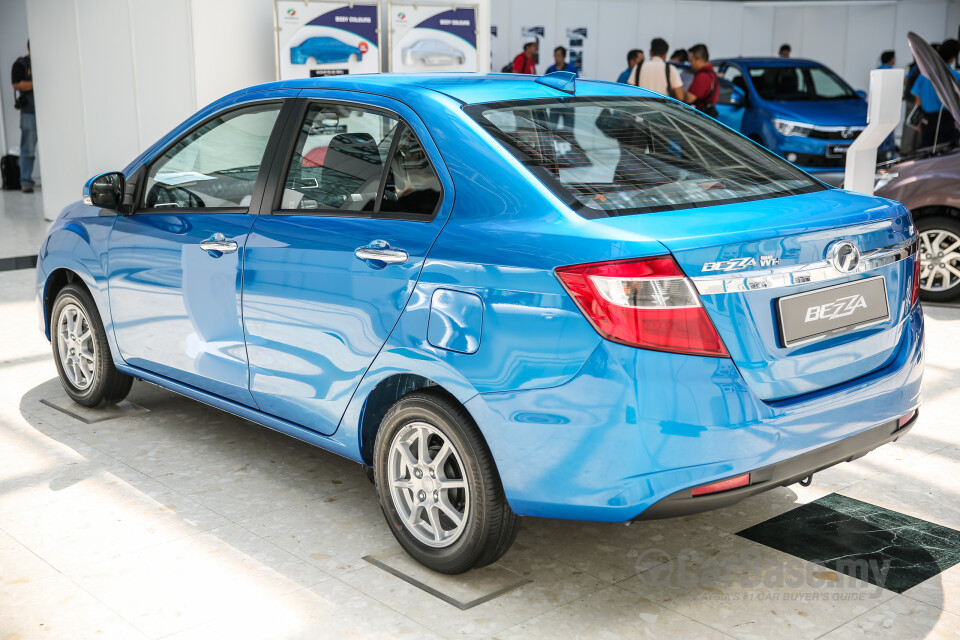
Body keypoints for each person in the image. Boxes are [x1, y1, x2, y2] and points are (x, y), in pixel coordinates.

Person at [911, 38, 960, 148]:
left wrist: (915, 121)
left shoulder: (924, 74)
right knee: (946, 154)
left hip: (927, 119)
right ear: (953, 58)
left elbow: (917, 99)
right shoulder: (955, 77)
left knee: (926, 151)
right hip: (947, 120)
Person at [10, 40, 36, 193]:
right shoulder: (21, 64)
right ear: (28, 47)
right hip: (29, 112)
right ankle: (26, 181)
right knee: (28, 148)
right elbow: (16, 84)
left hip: (48, 112)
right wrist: (36, 82)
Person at [684, 44, 719, 116]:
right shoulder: (711, 74)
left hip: (701, 118)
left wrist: (676, 89)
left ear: (699, 60)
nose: (690, 63)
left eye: (691, 60)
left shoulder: (703, 76)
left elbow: (689, 98)